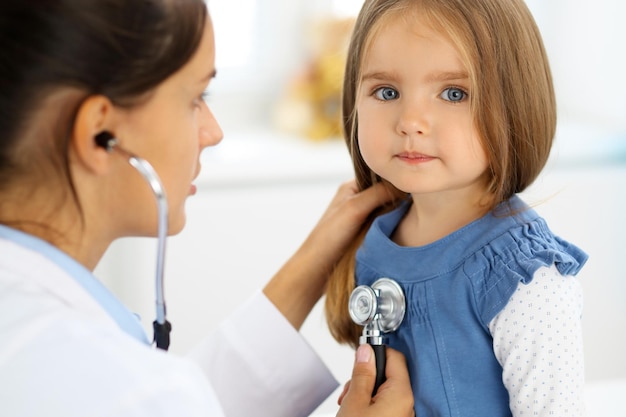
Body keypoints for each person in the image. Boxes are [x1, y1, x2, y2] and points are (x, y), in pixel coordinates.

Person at [0, 1, 416, 416]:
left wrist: (316, 257)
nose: (213, 132)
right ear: (99, 133)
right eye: (196, 97)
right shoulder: (101, 380)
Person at [324, 0, 589, 416]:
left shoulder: (525, 278)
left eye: (454, 93)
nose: (411, 121)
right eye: (387, 91)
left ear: (515, 104)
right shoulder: (378, 241)